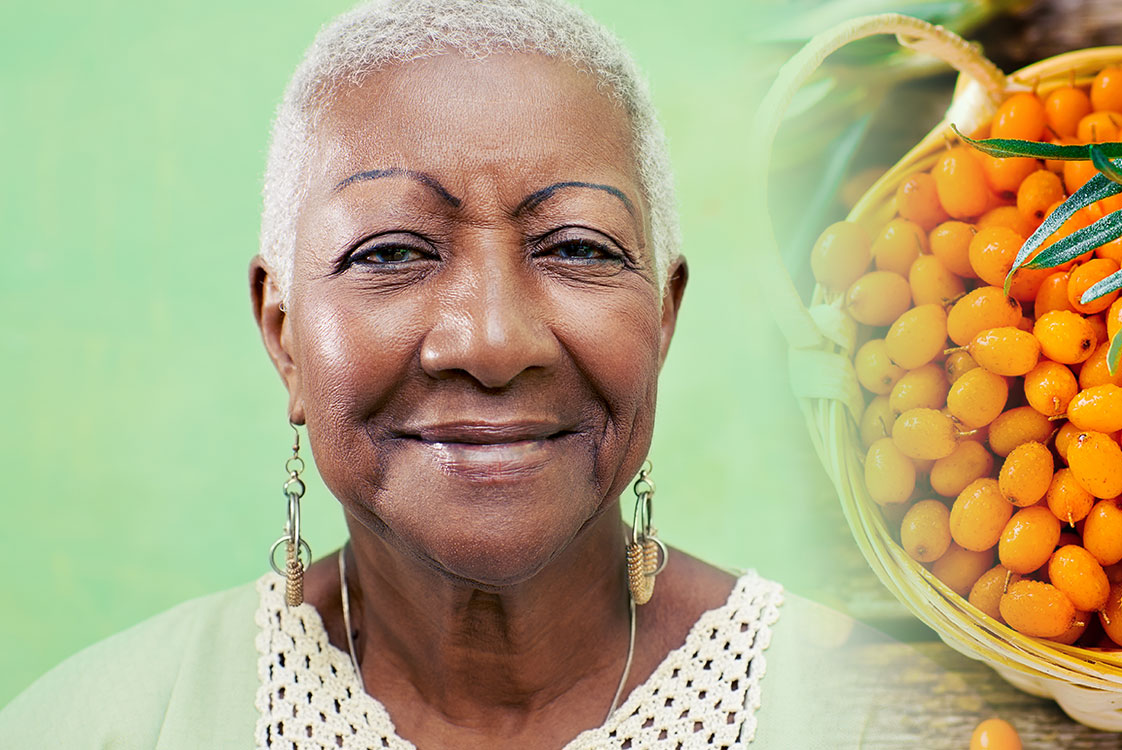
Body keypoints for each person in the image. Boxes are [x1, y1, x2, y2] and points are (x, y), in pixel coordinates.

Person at [0, 1, 881, 747]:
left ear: (661, 318)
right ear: (285, 336)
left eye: (576, 247)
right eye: (391, 251)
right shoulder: (97, 724)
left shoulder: (877, 711)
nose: (492, 341)